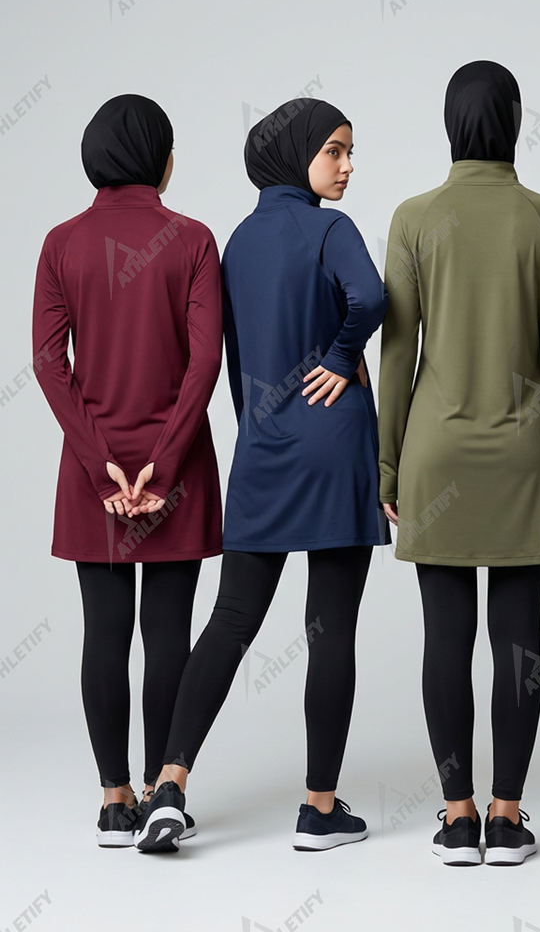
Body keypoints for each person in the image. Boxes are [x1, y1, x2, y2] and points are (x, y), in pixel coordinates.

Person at [134, 98, 388, 853]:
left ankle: (169, 784)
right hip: (335, 443)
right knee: (329, 628)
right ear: (297, 154)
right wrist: (341, 357)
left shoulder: (237, 243)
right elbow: (372, 298)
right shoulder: (331, 229)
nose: (347, 166)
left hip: (265, 445)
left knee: (231, 620)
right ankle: (319, 810)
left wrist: (260, 428)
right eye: (335, 150)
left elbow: (229, 357)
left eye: (349, 152)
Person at [378, 60, 540, 866]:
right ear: (515, 122)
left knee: (445, 639)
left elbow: (398, 355)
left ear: (449, 123)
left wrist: (388, 465)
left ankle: (456, 817)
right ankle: (507, 817)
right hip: (527, 456)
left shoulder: (413, 218)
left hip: (435, 455)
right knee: (520, 642)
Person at [32, 93, 223, 847]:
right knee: (168, 633)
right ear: (162, 162)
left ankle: (114, 802)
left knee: (104, 633)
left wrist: (100, 465)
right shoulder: (193, 240)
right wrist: (163, 466)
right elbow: (205, 362)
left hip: (95, 471)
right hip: (177, 469)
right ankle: (159, 793)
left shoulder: (61, 243)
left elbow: (49, 364)